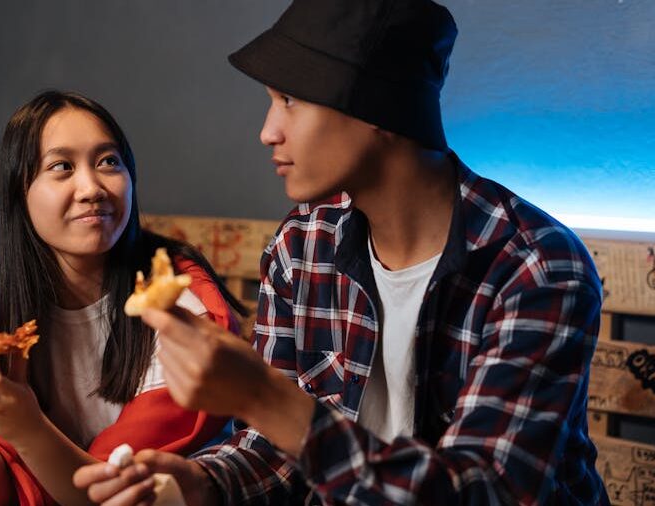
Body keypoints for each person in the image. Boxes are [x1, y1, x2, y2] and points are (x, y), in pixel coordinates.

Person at [74, 0, 610, 504]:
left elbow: (483, 491)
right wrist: (202, 482)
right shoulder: (302, 245)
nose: (267, 132)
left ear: (378, 106)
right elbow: (277, 453)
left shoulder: (535, 269)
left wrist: (264, 398)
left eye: (289, 99)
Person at [0, 90, 246, 506]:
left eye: (108, 162)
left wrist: (27, 428)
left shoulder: (177, 307)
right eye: (61, 166)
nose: (91, 187)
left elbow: (117, 497)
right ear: (18, 195)